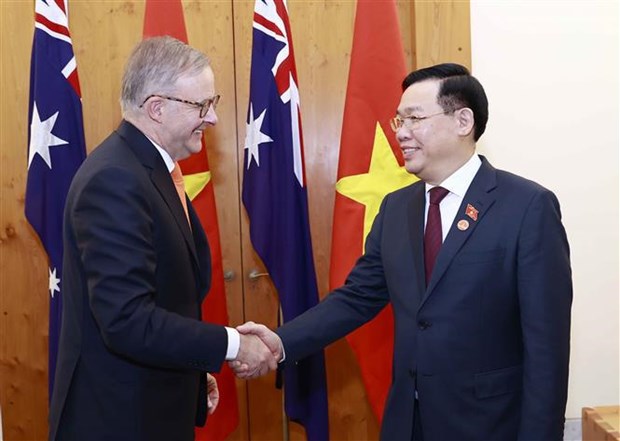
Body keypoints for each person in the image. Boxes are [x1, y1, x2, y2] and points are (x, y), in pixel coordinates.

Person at [234, 63, 573, 441]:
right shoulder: (396, 209)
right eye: (399, 121)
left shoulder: (527, 207)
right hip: (407, 423)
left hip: (489, 424)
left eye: (413, 119)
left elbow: (547, 348)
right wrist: (280, 342)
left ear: (463, 121)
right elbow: (356, 298)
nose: (401, 134)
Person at [49, 36, 277, 441]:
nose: (213, 119)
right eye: (202, 105)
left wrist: (192, 372)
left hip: (148, 410)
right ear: (157, 108)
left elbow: (167, 296)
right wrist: (232, 345)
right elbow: (126, 320)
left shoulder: (149, 169)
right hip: (117, 422)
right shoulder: (115, 179)